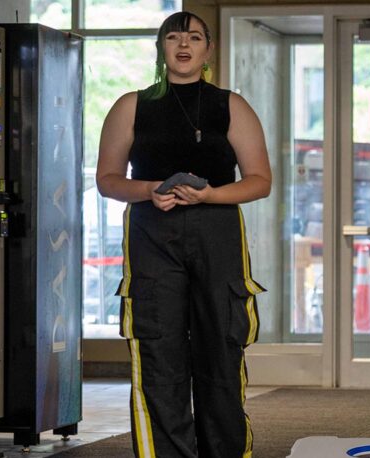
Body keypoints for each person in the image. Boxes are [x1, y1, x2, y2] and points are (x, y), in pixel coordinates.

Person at [96, 11, 271, 458]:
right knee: (159, 354)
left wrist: (210, 196)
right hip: (152, 234)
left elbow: (259, 179)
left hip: (217, 231)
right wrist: (150, 190)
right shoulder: (131, 105)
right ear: (161, 48)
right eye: (173, 37)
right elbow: (108, 179)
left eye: (193, 36)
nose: (183, 44)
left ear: (208, 49)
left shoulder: (231, 106)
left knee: (221, 354)